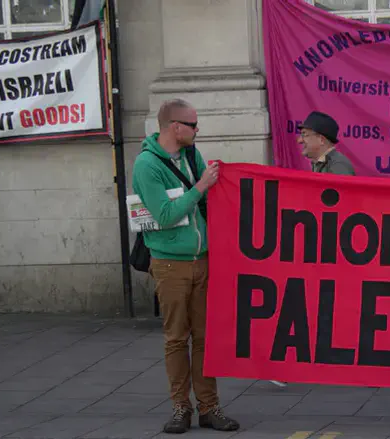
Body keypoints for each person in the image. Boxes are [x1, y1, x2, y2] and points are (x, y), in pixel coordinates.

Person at [132, 99, 239, 434]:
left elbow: (210, 200)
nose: (197, 129)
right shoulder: (147, 166)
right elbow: (164, 215)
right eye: (192, 125)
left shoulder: (193, 156)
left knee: (206, 338)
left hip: (202, 259)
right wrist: (200, 187)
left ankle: (210, 407)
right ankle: (181, 408)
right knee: (177, 338)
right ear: (173, 127)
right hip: (170, 264)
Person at [298, 111, 355, 175]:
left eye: (304, 134)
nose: (299, 140)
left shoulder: (338, 165)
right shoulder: (320, 162)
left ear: (321, 140)